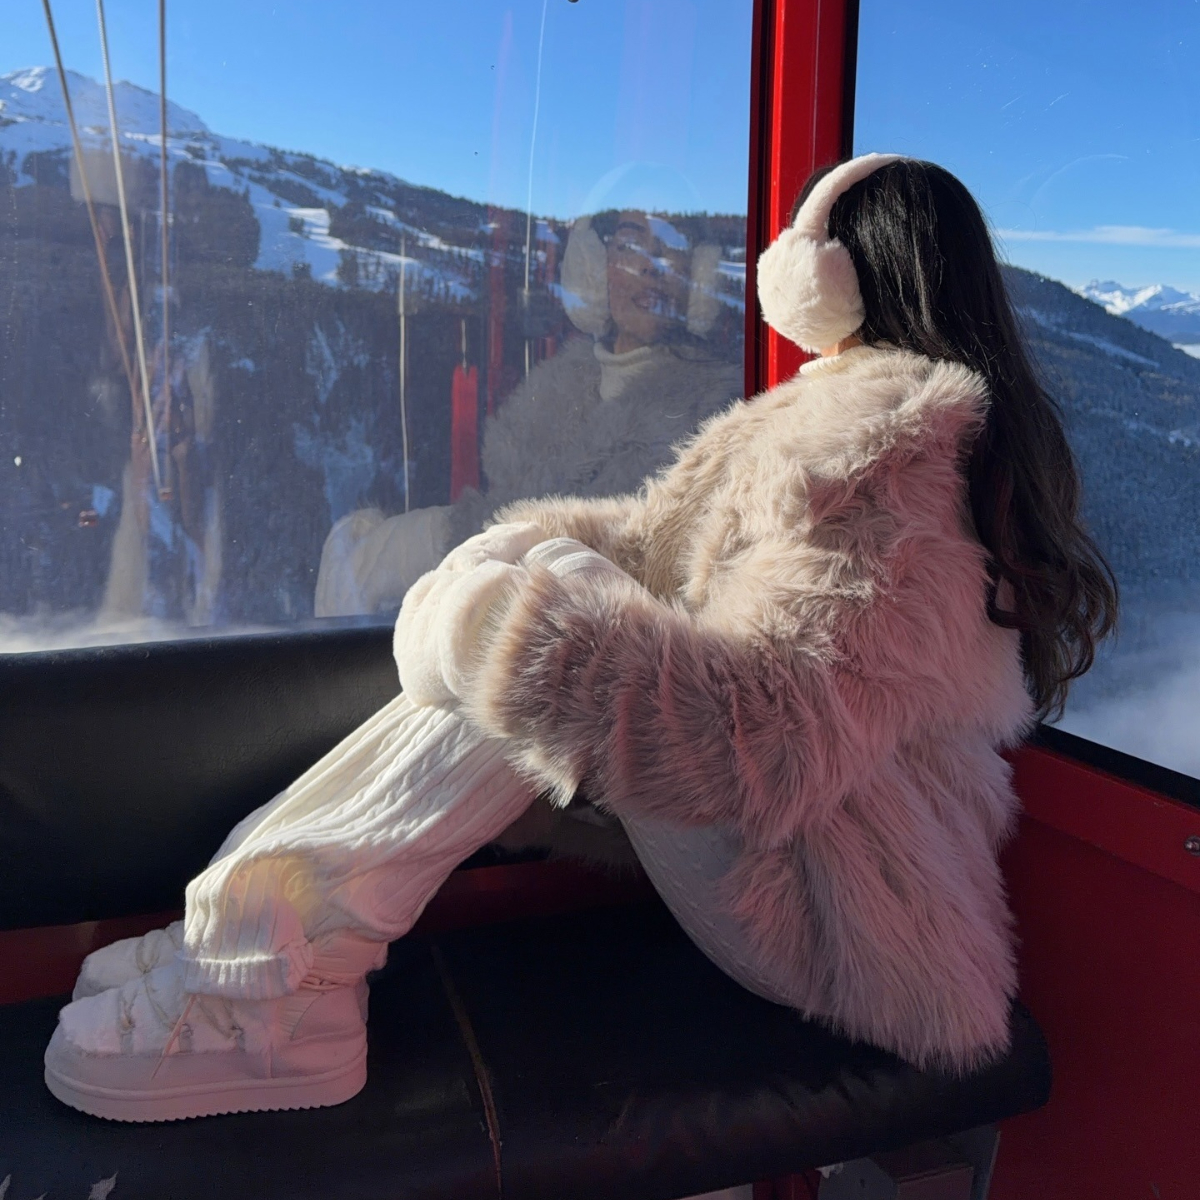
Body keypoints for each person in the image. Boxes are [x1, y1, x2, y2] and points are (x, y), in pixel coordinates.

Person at [43, 155, 1118, 1121]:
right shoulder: (847, 414)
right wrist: (494, 567)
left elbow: (769, 742)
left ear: (825, 272)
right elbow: (652, 543)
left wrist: (506, 638)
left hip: (847, 918)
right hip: (813, 857)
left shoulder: (891, 461)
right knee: (542, 583)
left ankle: (278, 990)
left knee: (540, 617)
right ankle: (247, 936)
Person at [312, 204, 742, 618]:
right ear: (593, 267)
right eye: (630, 245)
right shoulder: (557, 387)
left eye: (673, 245)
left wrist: (413, 544)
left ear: (698, 272)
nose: (652, 265)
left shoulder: (715, 412)